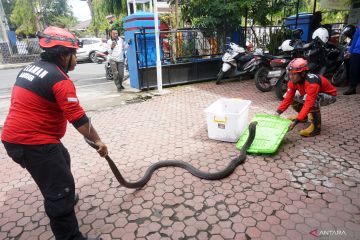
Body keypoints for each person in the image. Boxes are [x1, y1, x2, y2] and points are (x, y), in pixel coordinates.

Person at [1, 26, 107, 240]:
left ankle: (62, 195)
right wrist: (98, 141)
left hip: (16, 139)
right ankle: (67, 224)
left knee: (62, 159)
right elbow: (77, 117)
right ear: (62, 55)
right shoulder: (59, 79)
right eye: (73, 54)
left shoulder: (31, 68)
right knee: (59, 190)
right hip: (33, 143)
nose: (76, 59)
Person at [275, 58, 337, 137]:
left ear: (303, 73)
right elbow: (288, 99)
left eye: (294, 74)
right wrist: (277, 113)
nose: (291, 77)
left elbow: (308, 104)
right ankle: (303, 118)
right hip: (311, 95)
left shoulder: (312, 83)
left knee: (311, 99)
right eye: (290, 74)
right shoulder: (293, 82)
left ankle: (316, 128)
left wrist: (296, 122)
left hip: (330, 96)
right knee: (287, 95)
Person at [343, 22, 360, 95]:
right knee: (353, 69)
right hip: (357, 51)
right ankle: (352, 88)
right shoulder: (359, 26)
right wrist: (350, 51)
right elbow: (355, 38)